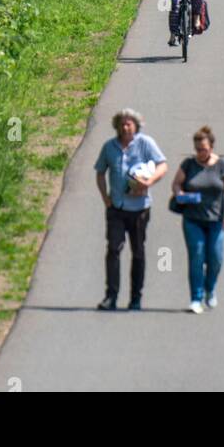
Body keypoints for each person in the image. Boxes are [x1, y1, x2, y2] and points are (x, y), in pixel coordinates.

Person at [94, 109, 167, 311]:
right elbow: (100, 172)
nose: (126, 127)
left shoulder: (145, 143)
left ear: (136, 126)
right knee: (113, 250)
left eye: (129, 123)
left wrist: (149, 181)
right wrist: (105, 199)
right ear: (117, 127)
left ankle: (136, 298)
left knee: (138, 252)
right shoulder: (109, 147)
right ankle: (111, 296)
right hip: (116, 208)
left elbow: (162, 164)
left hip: (139, 209)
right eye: (122, 124)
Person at [171, 125, 224, 313]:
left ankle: (210, 288)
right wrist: (180, 194)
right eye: (198, 149)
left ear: (212, 147)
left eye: (204, 149)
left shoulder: (223, 166)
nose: (200, 153)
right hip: (193, 219)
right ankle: (196, 298)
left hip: (216, 220)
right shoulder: (188, 165)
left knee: (215, 258)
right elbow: (176, 184)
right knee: (197, 256)